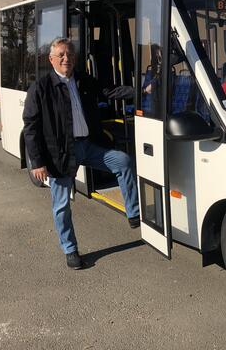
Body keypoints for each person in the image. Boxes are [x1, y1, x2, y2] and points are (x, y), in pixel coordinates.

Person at [23, 37, 139, 270]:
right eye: (62, 55)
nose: (67, 59)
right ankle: (70, 250)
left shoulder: (82, 80)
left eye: (70, 55)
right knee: (62, 205)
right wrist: (37, 162)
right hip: (61, 153)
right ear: (52, 59)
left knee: (123, 161)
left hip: (87, 146)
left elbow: (109, 91)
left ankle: (133, 213)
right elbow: (31, 126)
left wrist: (140, 91)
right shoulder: (41, 88)